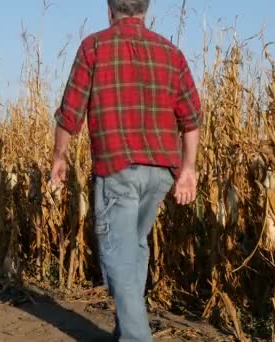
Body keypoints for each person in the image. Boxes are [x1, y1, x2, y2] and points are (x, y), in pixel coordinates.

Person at [50, 0, 202, 340]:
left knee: (118, 256)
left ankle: (136, 337)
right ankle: (125, 331)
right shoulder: (171, 52)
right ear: (146, 11)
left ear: (109, 10)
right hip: (161, 173)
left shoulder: (94, 47)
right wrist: (188, 168)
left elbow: (69, 113)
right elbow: (191, 118)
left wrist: (59, 156)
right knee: (133, 244)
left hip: (118, 168)